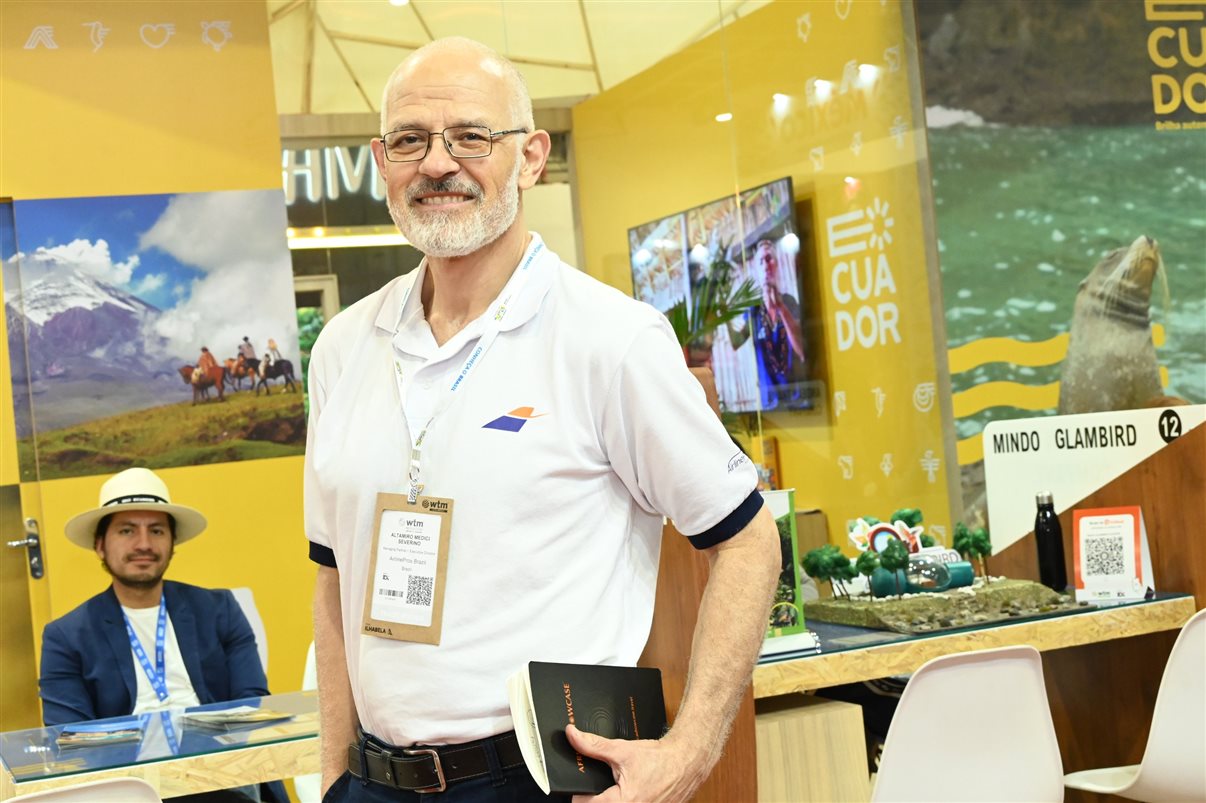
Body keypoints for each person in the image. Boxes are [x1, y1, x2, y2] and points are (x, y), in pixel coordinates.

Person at [305, 36, 780, 802]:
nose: (437, 163)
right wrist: (333, 777)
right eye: (410, 140)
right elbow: (332, 581)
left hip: (537, 778)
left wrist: (689, 752)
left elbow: (749, 540)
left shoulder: (610, 339)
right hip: (372, 780)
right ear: (379, 160)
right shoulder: (341, 348)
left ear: (530, 158)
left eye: (470, 136)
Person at [39, 467, 286, 803]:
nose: (143, 544)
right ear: (99, 545)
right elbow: (69, 740)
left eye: (156, 530)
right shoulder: (66, 636)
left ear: (172, 543)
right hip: (129, 786)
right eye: (127, 530)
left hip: (219, 777)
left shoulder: (220, 609)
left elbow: (252, 705)